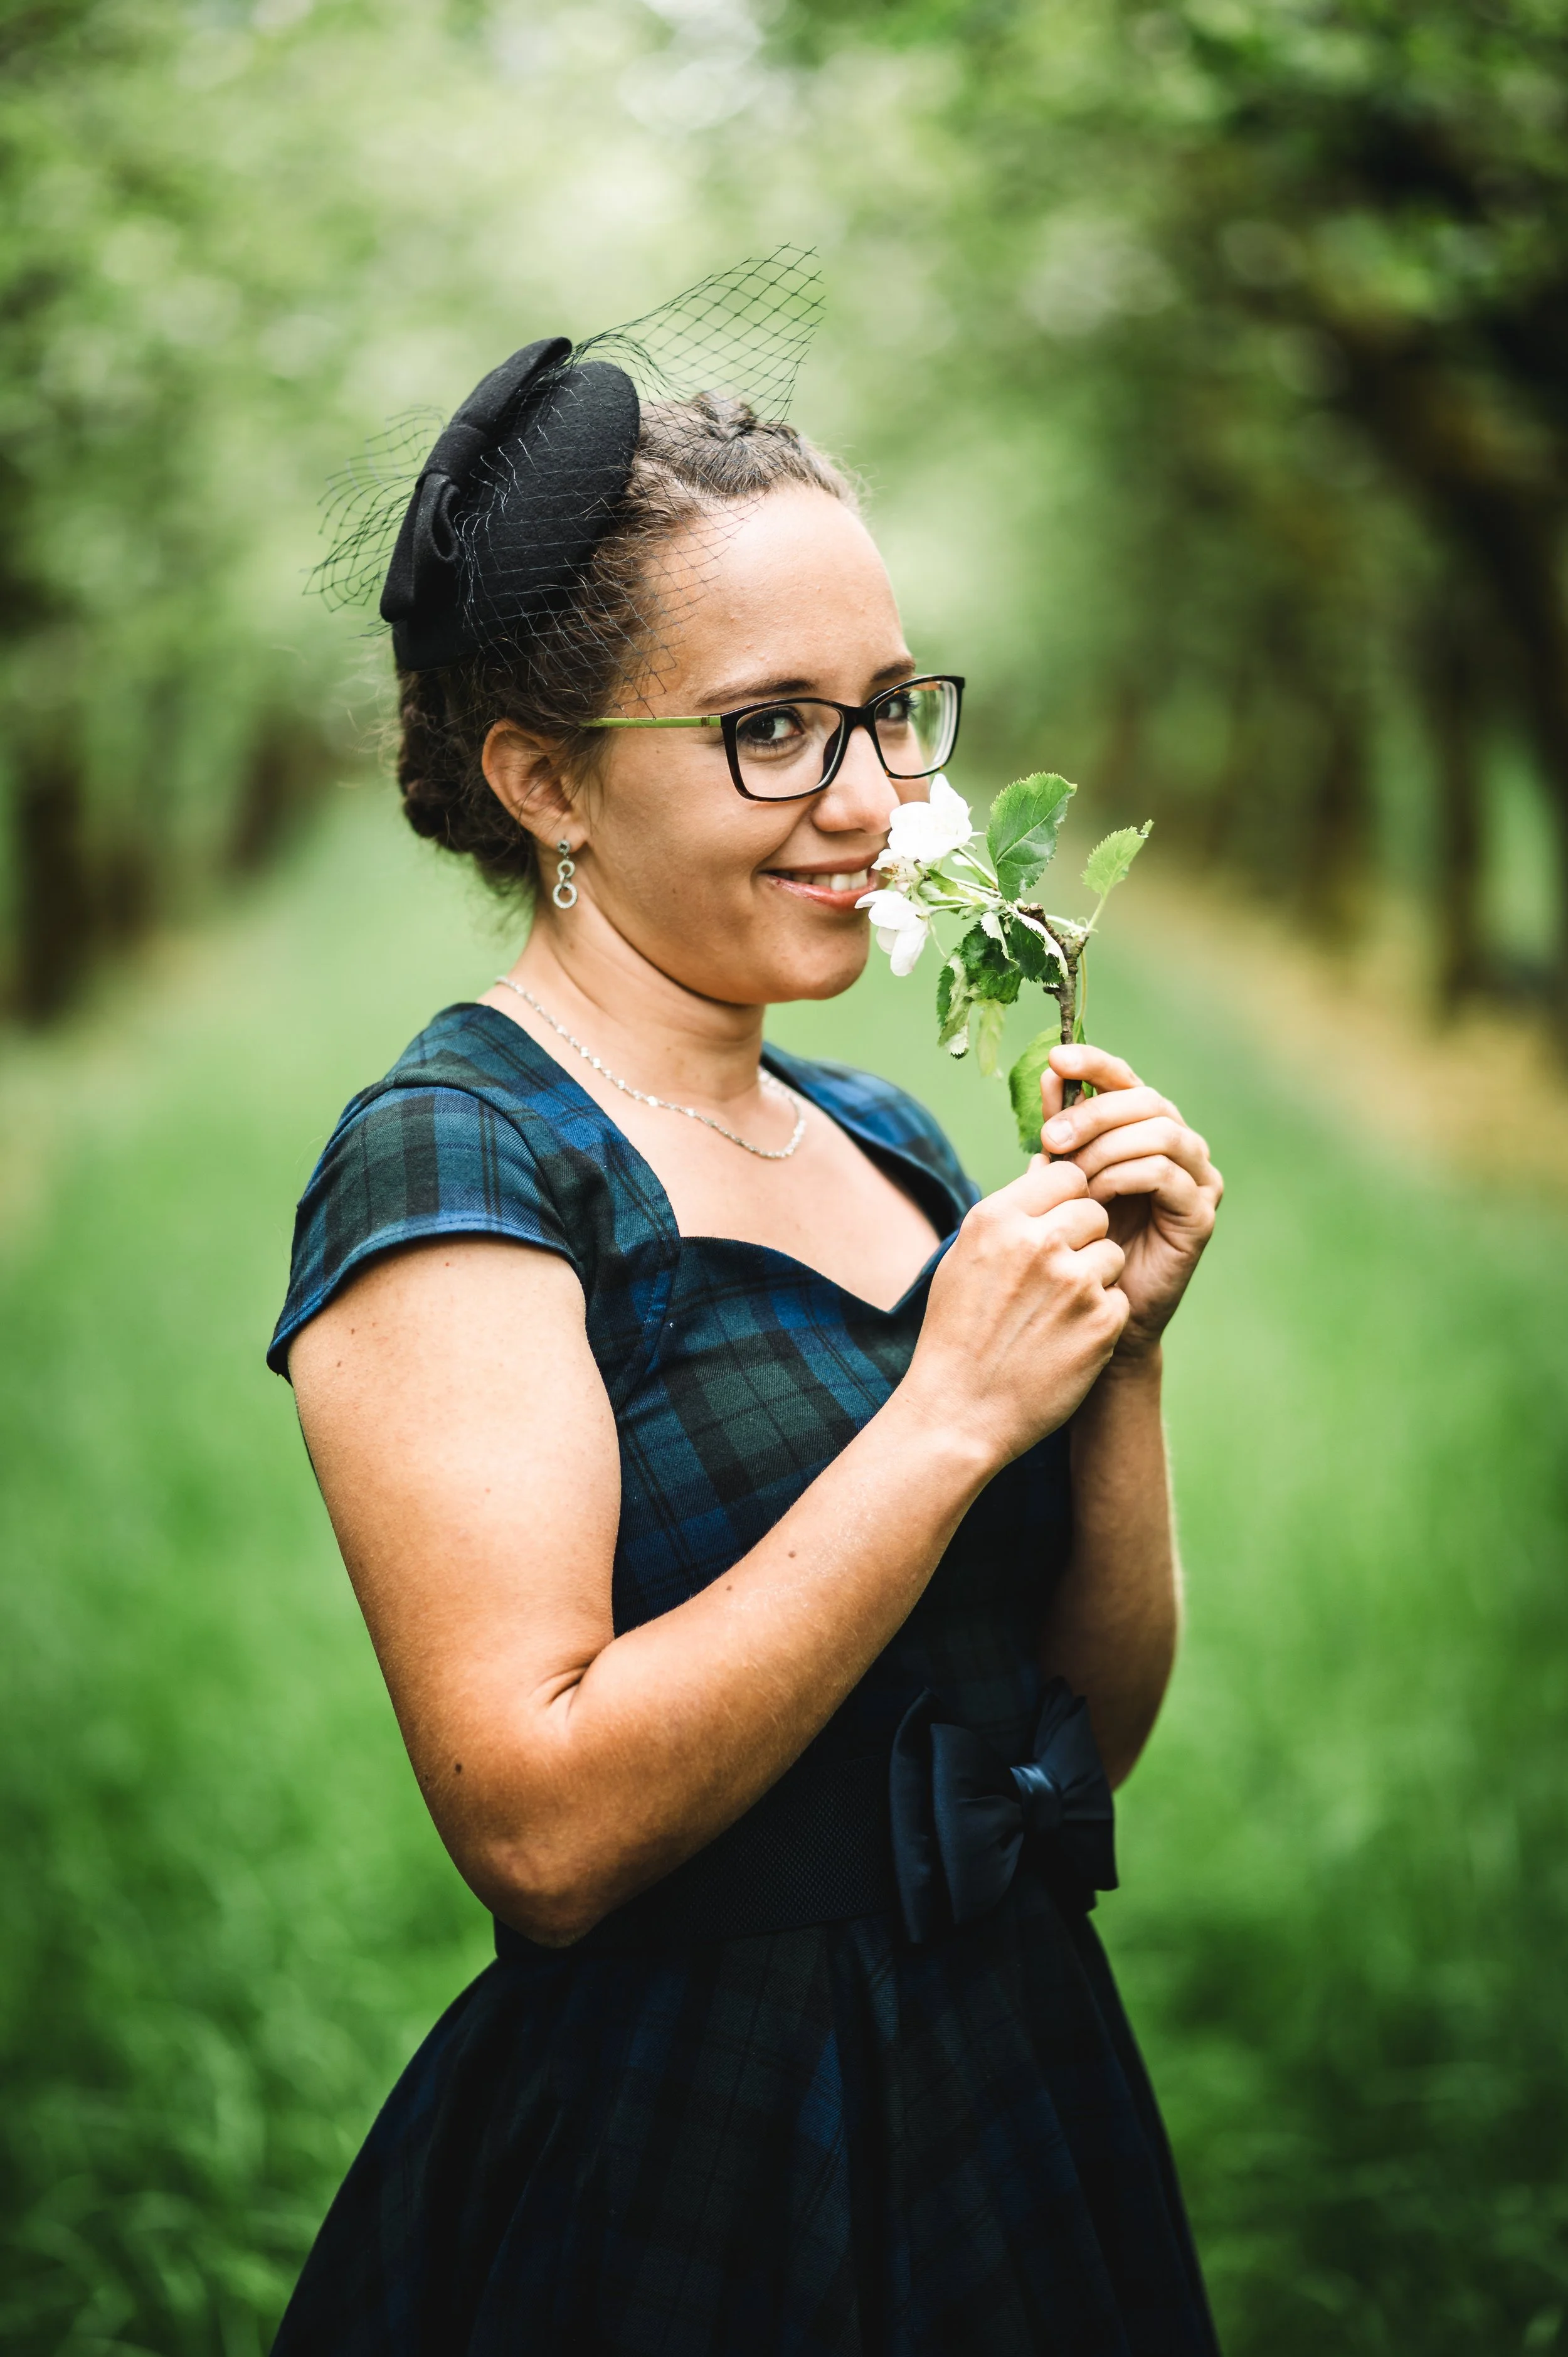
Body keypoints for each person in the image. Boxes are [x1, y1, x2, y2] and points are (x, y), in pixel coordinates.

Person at [267, 313, 1224, 2354]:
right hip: (700, 2149)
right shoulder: (460, 1160)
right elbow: (539, 1833)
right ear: (544, 781)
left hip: (1017, 2084)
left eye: (891, 710)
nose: (874, 797)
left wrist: (1112, 1354)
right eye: (769, 727)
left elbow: (1077, 1742)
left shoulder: (879, 1137)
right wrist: (951, 1411)